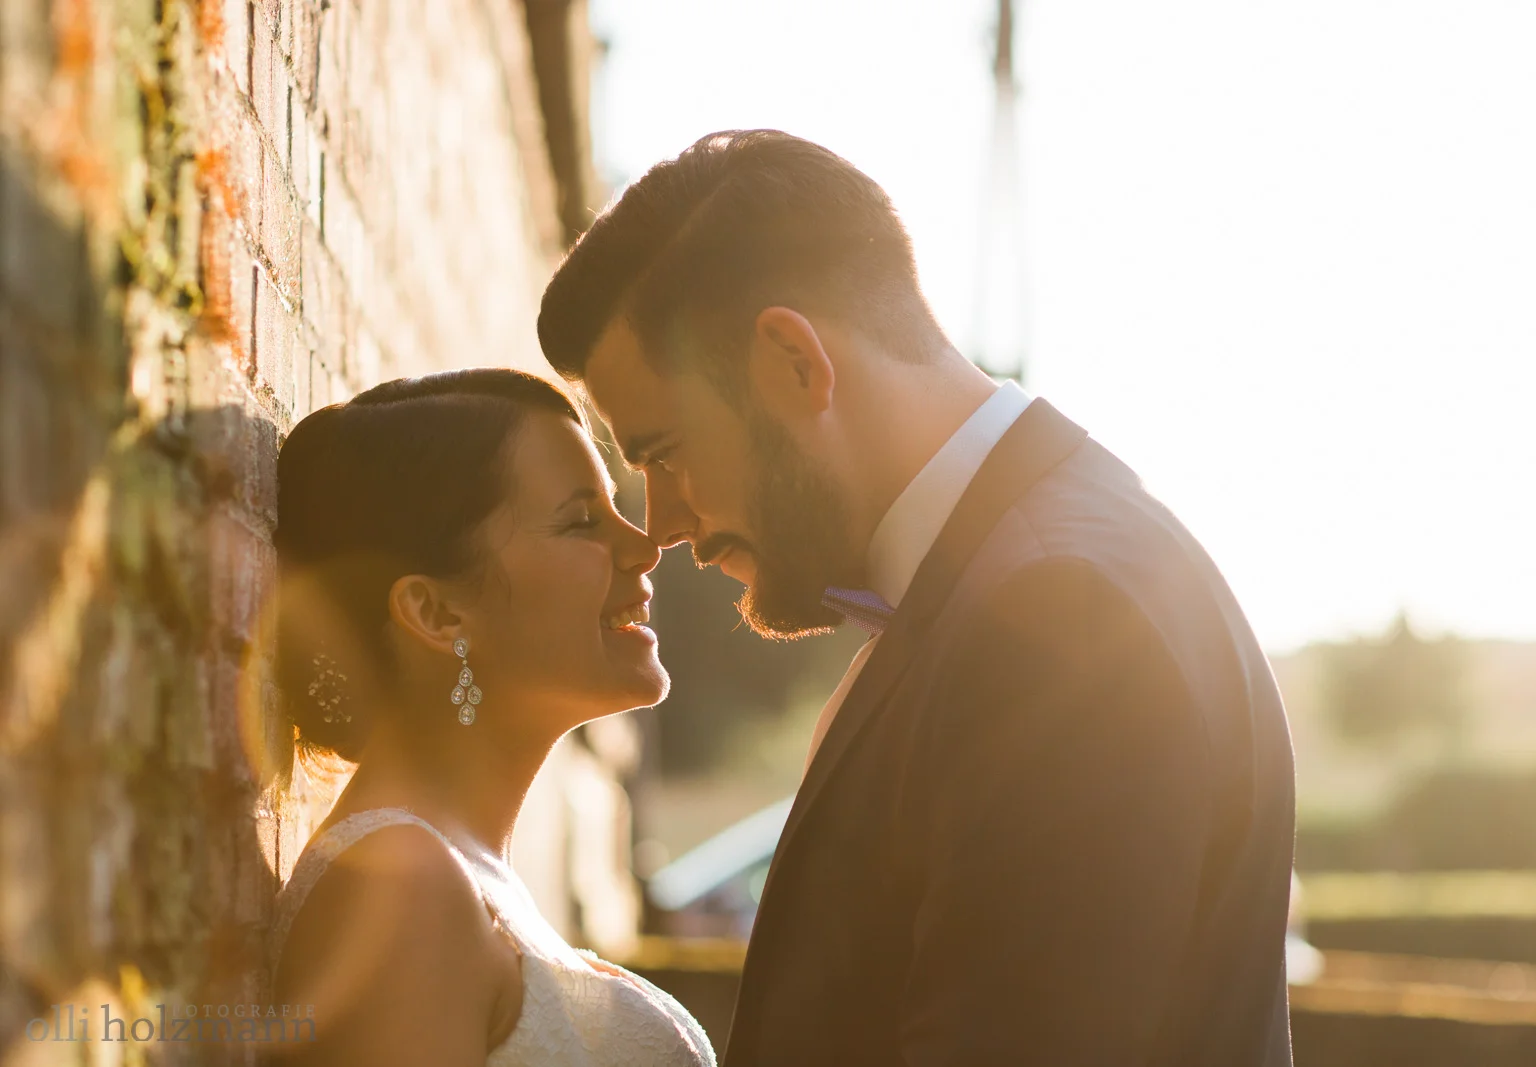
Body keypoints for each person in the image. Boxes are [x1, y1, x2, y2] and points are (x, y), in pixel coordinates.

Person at [538, 130, 1298, 1065]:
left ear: (794, 364)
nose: (662, 525)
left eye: (663, 452)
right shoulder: (1004, 581)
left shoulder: (1063, 612)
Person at [267, 370, 715, 1066]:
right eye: (580, 521)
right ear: (437, 613)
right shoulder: (400, 892)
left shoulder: (454, 877)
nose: (645, 546)